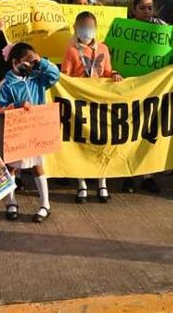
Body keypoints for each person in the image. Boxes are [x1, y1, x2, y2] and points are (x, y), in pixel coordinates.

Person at [0, 42, 61, 223]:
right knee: (12, 166)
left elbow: (55, 75)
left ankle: (45, 203)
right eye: (27, 62)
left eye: (34, 62)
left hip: (36, 130)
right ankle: (11, 201)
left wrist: (41, 62)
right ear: (15, 62)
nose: (31, 65)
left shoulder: (37, 79)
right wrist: (16, 107)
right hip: (17, 133)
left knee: (38, 165)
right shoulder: (6, 84)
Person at [60, 11, 123, 203]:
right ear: (75, 28)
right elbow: (65, 77)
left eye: (89, 26)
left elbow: (107, 71)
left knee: (100, 142)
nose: (86, 30)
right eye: (82, 26)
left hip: (99, 104)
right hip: (78, 105)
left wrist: (114, 75)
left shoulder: (103, 48)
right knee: (80, 145)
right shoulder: (71, 50)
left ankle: (101, 183)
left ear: (96, 29)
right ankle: (82, 185)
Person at [122, 0, 166, 194]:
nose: (147, 11)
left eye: (150, 7)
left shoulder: (163, 28)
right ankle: (128, 175)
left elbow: (171, 52)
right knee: (129, 132)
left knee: (150, 133)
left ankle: (148, 176)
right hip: (131, 86)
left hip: (154, 87)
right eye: (142, 8)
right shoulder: (124, 27)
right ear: (134, 9)